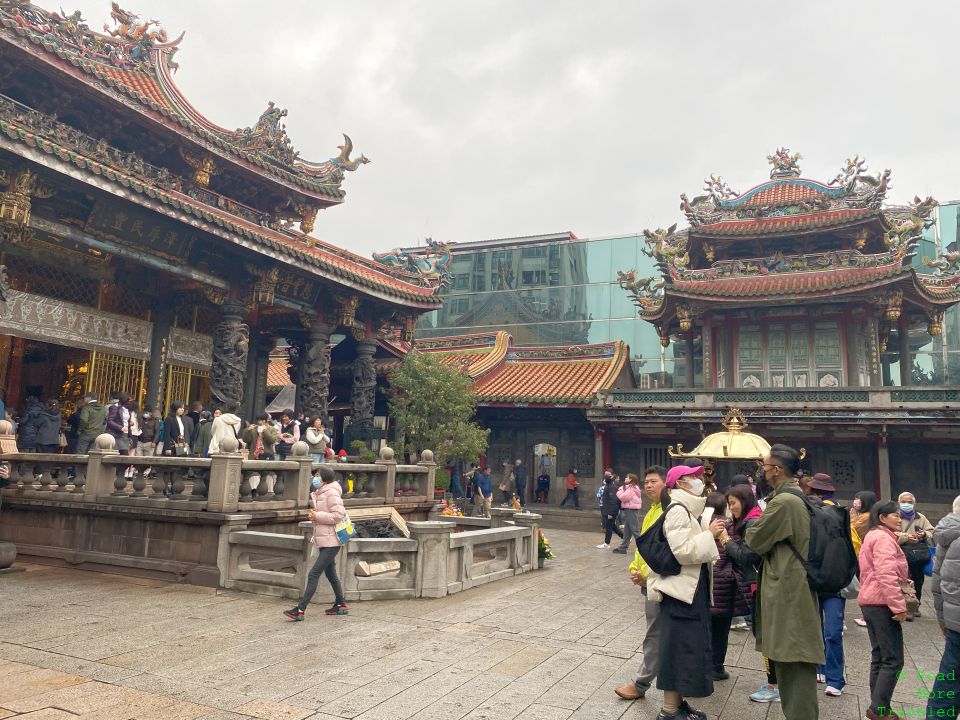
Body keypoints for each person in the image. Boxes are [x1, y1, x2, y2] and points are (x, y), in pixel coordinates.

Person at [745, 444, 824, 720]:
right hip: (793, 586)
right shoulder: (794, 497)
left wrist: (751, 527)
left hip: (790, 589)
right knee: (790, 658)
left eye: (764, 467)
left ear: (777, 470)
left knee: (794, 660)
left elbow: (754, 539)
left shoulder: (784, 502)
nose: (762, 473)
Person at [646, 463, 718, 720]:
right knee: (677, 649)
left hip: (688, 590)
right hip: (679, 593)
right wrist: (709, 535)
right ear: (679, 484)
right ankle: (668, 710)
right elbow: (683, 552)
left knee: (685, 648)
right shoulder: (678, 511)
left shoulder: (686, 510)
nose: (699, 480)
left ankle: (678, 703)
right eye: (693, 477)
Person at [716, 484, 778, 703]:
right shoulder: (750, 519)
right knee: (763, 634)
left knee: (765, 635)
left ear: (745, 500)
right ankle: (775, 681)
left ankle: (774, 685)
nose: (731, 508)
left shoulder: (751, 522)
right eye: (729, 504)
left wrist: (725, 540)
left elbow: (747, 556)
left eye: (733, 503)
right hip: (757, 584)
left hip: (759, 584)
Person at [615, 465, 668, 701]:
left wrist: (648, 575)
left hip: (660, 582)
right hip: (648, 581)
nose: (648, 485)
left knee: (654, 634)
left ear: (667, 483)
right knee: (658, 632)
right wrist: (635, 569)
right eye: (646, 481)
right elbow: (642, 548)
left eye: (654, 481)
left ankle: (641, 684)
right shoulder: (651, 511)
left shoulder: (669, 511)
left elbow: (665, 553)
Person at [859, 500, 910, 720]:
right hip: (882, 603)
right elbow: (886, 574)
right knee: (893, 659)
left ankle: (878, 704)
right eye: (895, 515)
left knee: (879, 656)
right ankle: (879, 709)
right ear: (882, 517)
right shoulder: (883, 539)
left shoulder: (873, 535)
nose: (900, 519)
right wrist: (898, 606)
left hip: (870, 601)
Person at [283, 464, 347, 620]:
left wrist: (317, 516)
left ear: (325, 478)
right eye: (315, 475)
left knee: (313, 574)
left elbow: (338, 515)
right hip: (325, 539)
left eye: (318, 475)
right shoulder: (322, 492)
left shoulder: (331, 492)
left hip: (332, 540)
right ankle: (341, 604)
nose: (315, 478)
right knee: (330, 573)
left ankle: (300, 609)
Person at [803, 473, 846, 696]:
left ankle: (835, 676)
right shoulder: (841, 514)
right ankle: (826, 672)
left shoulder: (837, 515)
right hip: (829, 580)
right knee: (827, 631)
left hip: (824, 580)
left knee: (829, 631)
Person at [927, 494, 960, 719]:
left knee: (948, 682)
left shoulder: (947, 536)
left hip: (955, 624)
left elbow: (937, 583)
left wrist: (943, 622)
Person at [705, 491, 741, 681]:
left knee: (705, 628)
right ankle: (717, 667)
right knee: (721, 629)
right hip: (725, 585)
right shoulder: (731, 526)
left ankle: (703, 665)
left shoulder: (701, 525)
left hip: (707, 584)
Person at [896, 491, 934, 612]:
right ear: (898, 503)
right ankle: (904, 606)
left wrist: (923, 534)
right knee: (902, 580)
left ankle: (915, 605)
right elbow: (890, 534)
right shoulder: (895, 517)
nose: (907, 504)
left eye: (910, 502)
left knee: (918, 580)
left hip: (917, 554)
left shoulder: (921, 517)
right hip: (901, 553)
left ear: (914, 503)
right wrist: (906, 537)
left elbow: (931, 532)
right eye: (904, 502)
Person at [851, 490, 877, 628]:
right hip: (859, 552)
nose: (856, 501)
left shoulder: (866, 517)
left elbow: (851, 526)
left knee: (865, 583)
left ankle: (867, 615)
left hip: (864, 553)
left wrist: (852, 514)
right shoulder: (858, 514)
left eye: (859, 499)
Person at [614, 471, 644, 554]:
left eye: (627, 477)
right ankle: (623, 547)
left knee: (635, 530)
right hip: (629, 509)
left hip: (631, 509)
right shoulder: (631, 488)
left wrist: (619, 490)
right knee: (627, 530)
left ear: (631, 479)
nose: (625, 478)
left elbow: (623, 497)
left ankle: (643, 547)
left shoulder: (632, 488)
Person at [597, 470, 622, 549]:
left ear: (612, 476)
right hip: (607, 510)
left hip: (611, 511)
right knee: (612, 526)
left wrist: (610, 513)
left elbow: (613, 501)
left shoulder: (613, 487)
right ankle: (625, 538)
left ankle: (607, 543)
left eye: (609, 475)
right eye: (605, 475)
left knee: (609, 526)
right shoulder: (607, 485)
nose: (606, 477)